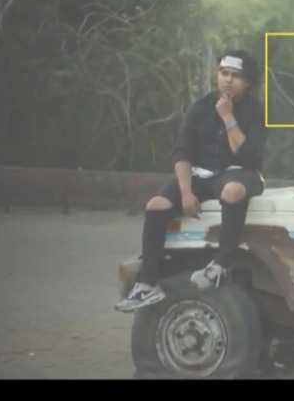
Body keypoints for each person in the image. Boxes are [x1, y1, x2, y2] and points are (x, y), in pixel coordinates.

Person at [115, 51, 269, 312]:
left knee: (232, 191)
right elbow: (182, 152)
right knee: (156, 205)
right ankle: (148, 284)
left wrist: (228, 118)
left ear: (248, 82)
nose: (227, 80)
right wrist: (186, 192)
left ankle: (221, 264)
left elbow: (249, 157)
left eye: (235, 76)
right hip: (200, 174)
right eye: (223, 73)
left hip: (239, 173)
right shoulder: (200, 107)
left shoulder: (257, 111)